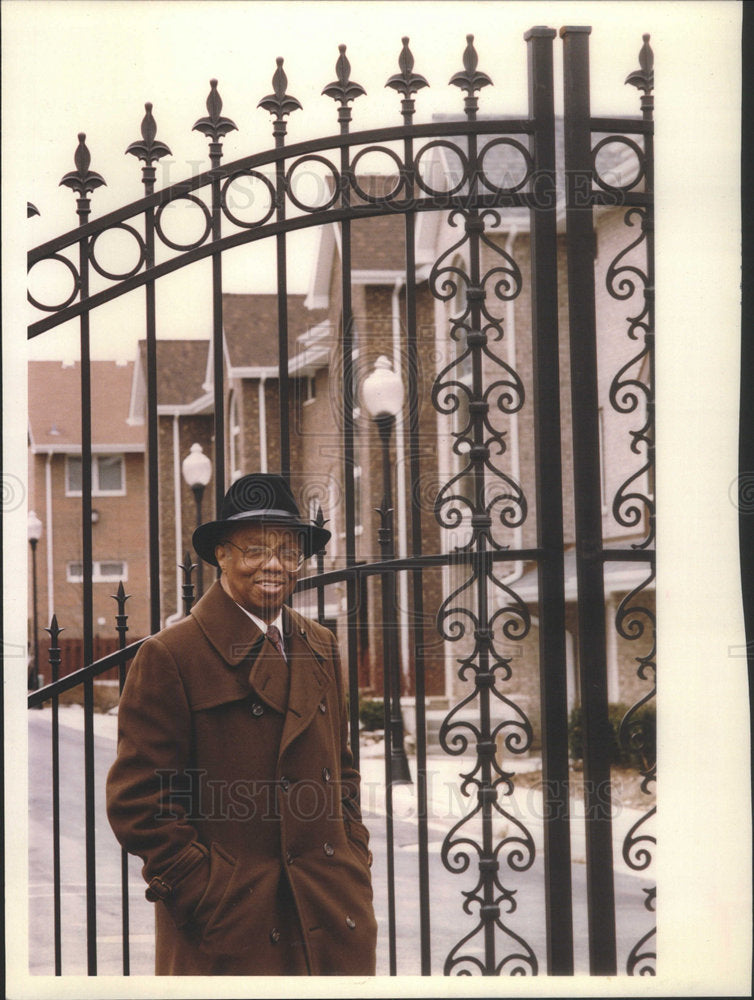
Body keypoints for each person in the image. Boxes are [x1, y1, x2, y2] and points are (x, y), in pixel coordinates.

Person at [106, 473, 378, 976]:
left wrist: (352, 864)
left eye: (288, 550)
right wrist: (208, 895)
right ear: (222, 557)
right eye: (254, 550)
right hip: (233, 932)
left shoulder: (321, 643)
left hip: (329, 915)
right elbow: (139, 803)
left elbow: (341, 775)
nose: (274, 564)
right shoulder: (171, 654)